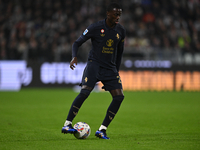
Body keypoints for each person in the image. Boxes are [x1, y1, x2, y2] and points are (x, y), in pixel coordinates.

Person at [61, 2, 126, 139]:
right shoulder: (95, 27)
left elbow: (119, 53)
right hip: (94, 65)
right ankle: (67, 124)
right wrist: (74, 57)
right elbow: (76, 43)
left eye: (119, 14)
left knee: (119, 97)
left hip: (110, 68)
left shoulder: (121, 31)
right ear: (108, 13)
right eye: (116, 14)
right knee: (85, 92)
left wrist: (116, 71)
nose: (118, 17)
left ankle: (102, 129)